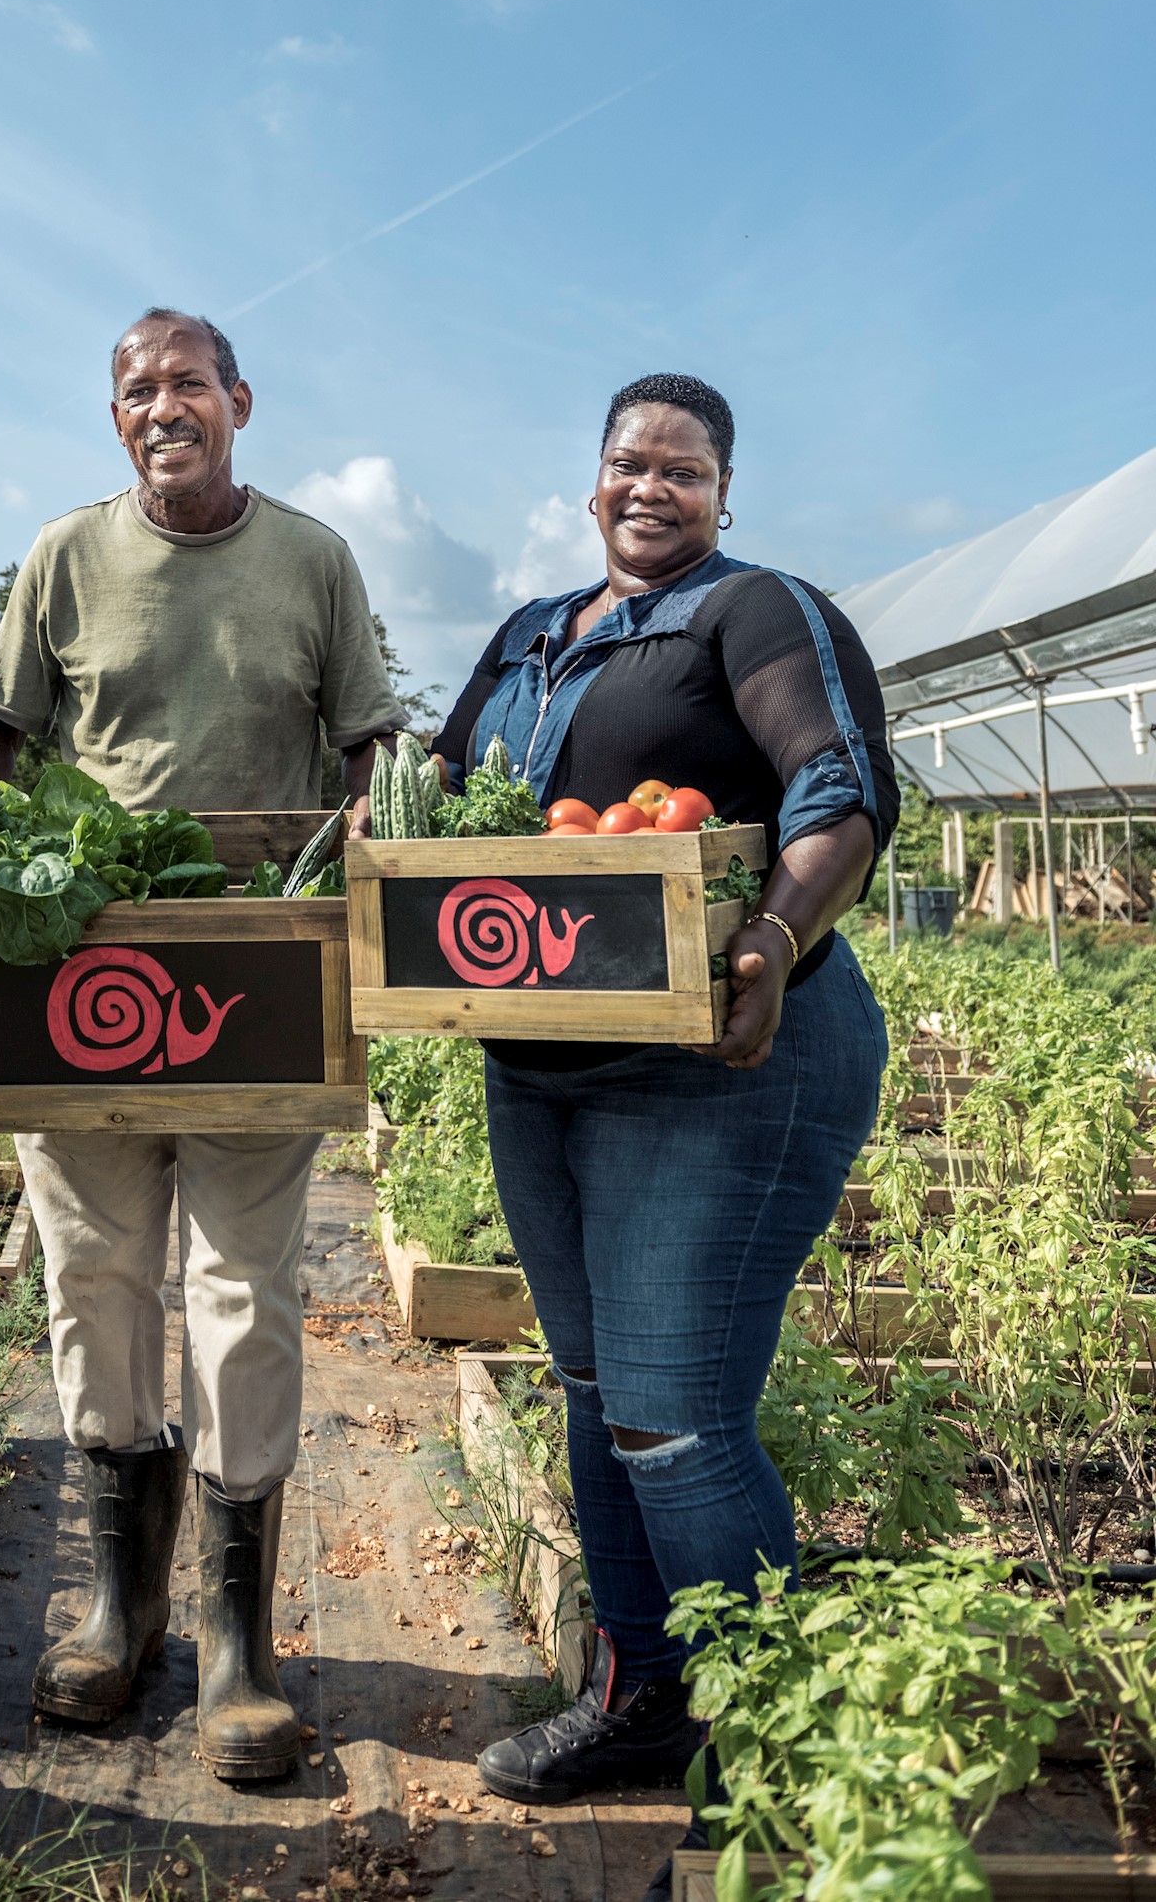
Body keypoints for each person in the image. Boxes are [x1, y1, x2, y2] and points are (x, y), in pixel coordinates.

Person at [0, 307, 404, 1781]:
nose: (162, 406)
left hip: (254, 978)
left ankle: (236, 1641)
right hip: (79, 974)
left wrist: (366, 846)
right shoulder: (65, 556)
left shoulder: (315, 558)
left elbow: (367, 745)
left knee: (243, 1289)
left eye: (186, 383)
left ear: (240, 401)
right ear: (117, 414)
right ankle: (116, 1601)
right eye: (136, 389)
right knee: (92, 1273)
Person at [425, 373, 894, 1827]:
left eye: (684, 469)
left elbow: (837, 780)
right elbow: (439, 798)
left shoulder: (755, 610)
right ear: (591, 482)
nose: (652, 485)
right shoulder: (526, 636)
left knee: (675, 1418)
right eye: (630, 461)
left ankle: (775, 1761)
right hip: (542, 1066)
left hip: (724, 1058)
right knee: (590, 1392)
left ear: (724, 493)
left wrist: (775, 931)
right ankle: (641, 1701)